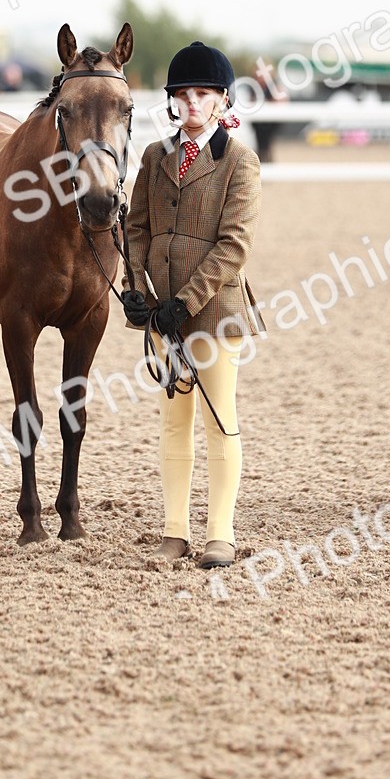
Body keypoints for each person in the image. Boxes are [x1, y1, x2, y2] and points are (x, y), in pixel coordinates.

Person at [122, 40, 264, 569]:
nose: (193, 104)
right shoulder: (154, 157)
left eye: (203, 94)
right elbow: (135, 228)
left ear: (223, 101)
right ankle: (174, 531)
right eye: (184, 95)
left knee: (218, 419)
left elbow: (234, 246)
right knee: (173, 421)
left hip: (212, 312)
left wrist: (183, 302)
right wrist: (137, 290)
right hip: (161, 313)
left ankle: (220, 535)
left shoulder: (239, 163)